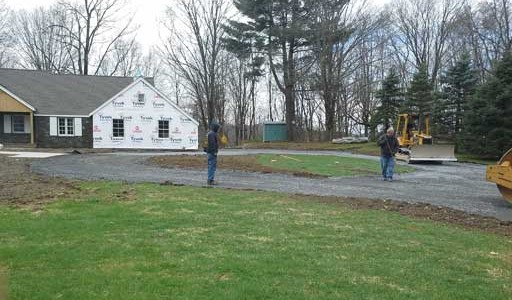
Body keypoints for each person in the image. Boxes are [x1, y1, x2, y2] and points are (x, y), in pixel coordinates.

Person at [205, 121, 221, 185]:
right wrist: (214, 152)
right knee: (212, 166)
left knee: (210, 166)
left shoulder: (209, 133)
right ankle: (210, 180)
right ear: (215, 128)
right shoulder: (212, 134)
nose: (218, 129)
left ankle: (210, 179)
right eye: (218, 128)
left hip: (209, 152)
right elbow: (212, 144)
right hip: (212, 153)